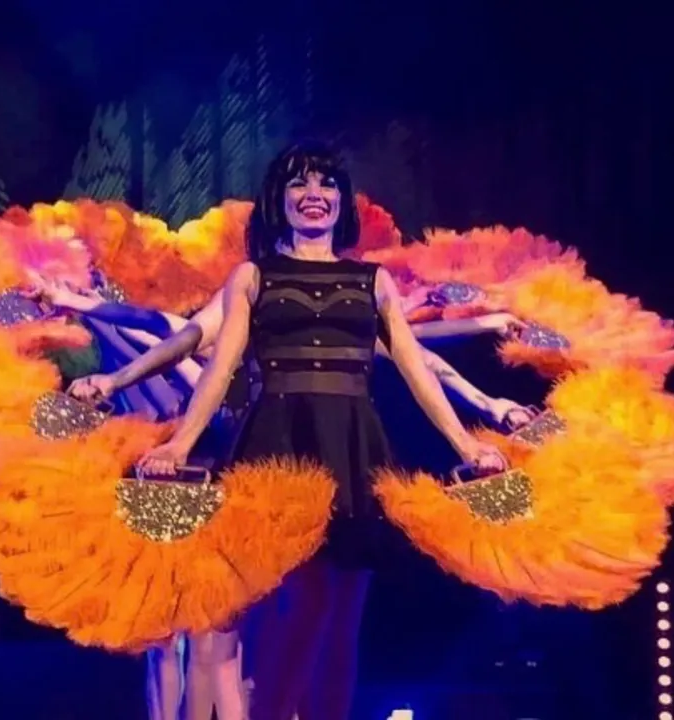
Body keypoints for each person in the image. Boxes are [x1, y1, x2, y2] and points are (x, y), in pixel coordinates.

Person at [137, 140, 510, 720]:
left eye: (327, 183)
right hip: (279, 444)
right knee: (295, 603)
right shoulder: (252, 277)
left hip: (353, 445)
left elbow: (417, 369)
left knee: (340, 617)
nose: (315, 194)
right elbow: (220, 364)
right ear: (278, 199)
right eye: (300, 183)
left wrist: (465, 442)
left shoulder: (373, 281)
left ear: (342, 200)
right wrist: (181, 442)